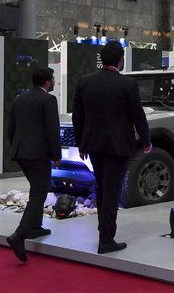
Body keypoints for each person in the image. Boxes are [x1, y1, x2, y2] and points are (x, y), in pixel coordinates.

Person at [73, 41, 151, 254]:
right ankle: (106, 239)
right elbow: (138, 116)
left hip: (93, 145)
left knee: (101, 187)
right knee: (112, 191)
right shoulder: (127, 84)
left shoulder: (84, 81)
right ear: (120, 60)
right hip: (118, 146)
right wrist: (146, 141)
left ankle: (104, 233)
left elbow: (78, 116)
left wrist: (81, 143)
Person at [6, 67, 61, 262]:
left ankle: (35, 227)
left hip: (21, 153)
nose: (54, 82)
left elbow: (10, 128)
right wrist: (57, 155)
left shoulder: (20, 99)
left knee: (35, 189)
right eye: (53, 79)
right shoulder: (48, 100)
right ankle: (19, 235)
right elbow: (52, 129)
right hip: (39, 155)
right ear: (47, 83)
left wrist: (18, 149)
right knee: (40, 192)